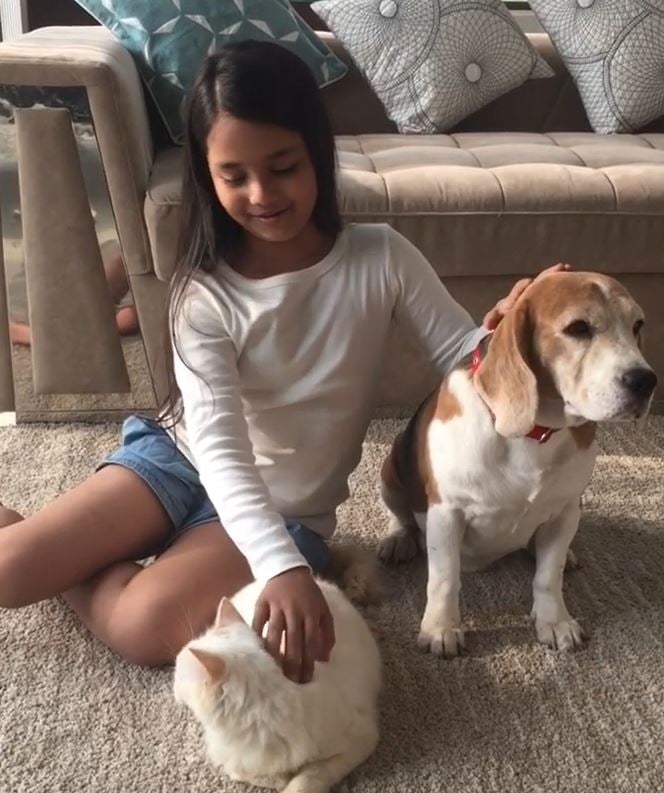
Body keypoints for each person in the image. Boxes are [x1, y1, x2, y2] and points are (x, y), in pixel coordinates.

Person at [0, 41, 566, 683]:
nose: (262, 193)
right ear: (207, 178)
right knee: (9, 572)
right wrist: (280, 569)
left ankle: (87, 565)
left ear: (317, 156)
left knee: (144, 629)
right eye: (234, 176)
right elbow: (216, 445)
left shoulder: (381, 256)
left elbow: (461, 356)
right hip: (182, 461)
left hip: (290, 506)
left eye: (282, 166)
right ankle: (61, 552)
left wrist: (513, 329)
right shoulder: (203, 291)